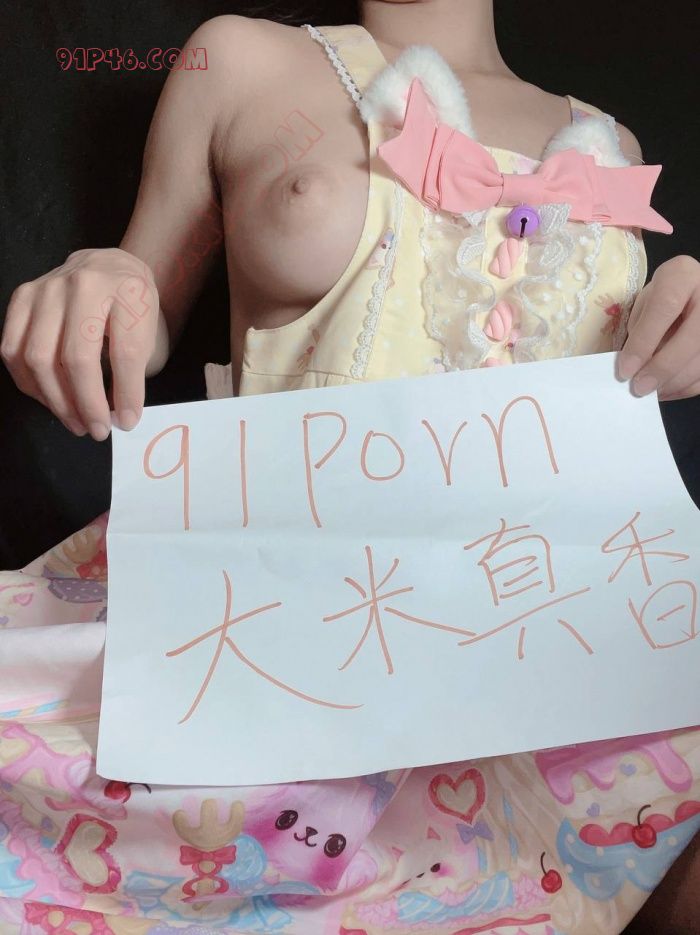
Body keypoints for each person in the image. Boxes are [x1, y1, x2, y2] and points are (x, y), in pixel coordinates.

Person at [1, 2, 699, 932]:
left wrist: (676, 321)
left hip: (553, 671)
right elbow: (147, 297)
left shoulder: (610, 141)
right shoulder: (241, 60)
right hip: (266, 639)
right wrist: (106, 280)